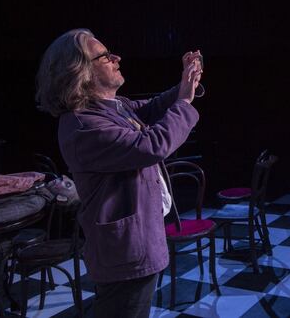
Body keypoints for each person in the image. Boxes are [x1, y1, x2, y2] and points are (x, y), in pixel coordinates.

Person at [35, 29, 203, 318]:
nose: (116, 58)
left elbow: (152, 107)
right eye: (104, 56)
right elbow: (151, 146)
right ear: (80, 71)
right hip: (124, 252)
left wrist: (187, 82)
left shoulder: (114, 106)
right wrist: (184, 102)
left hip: (136, 242)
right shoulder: (84, 125)